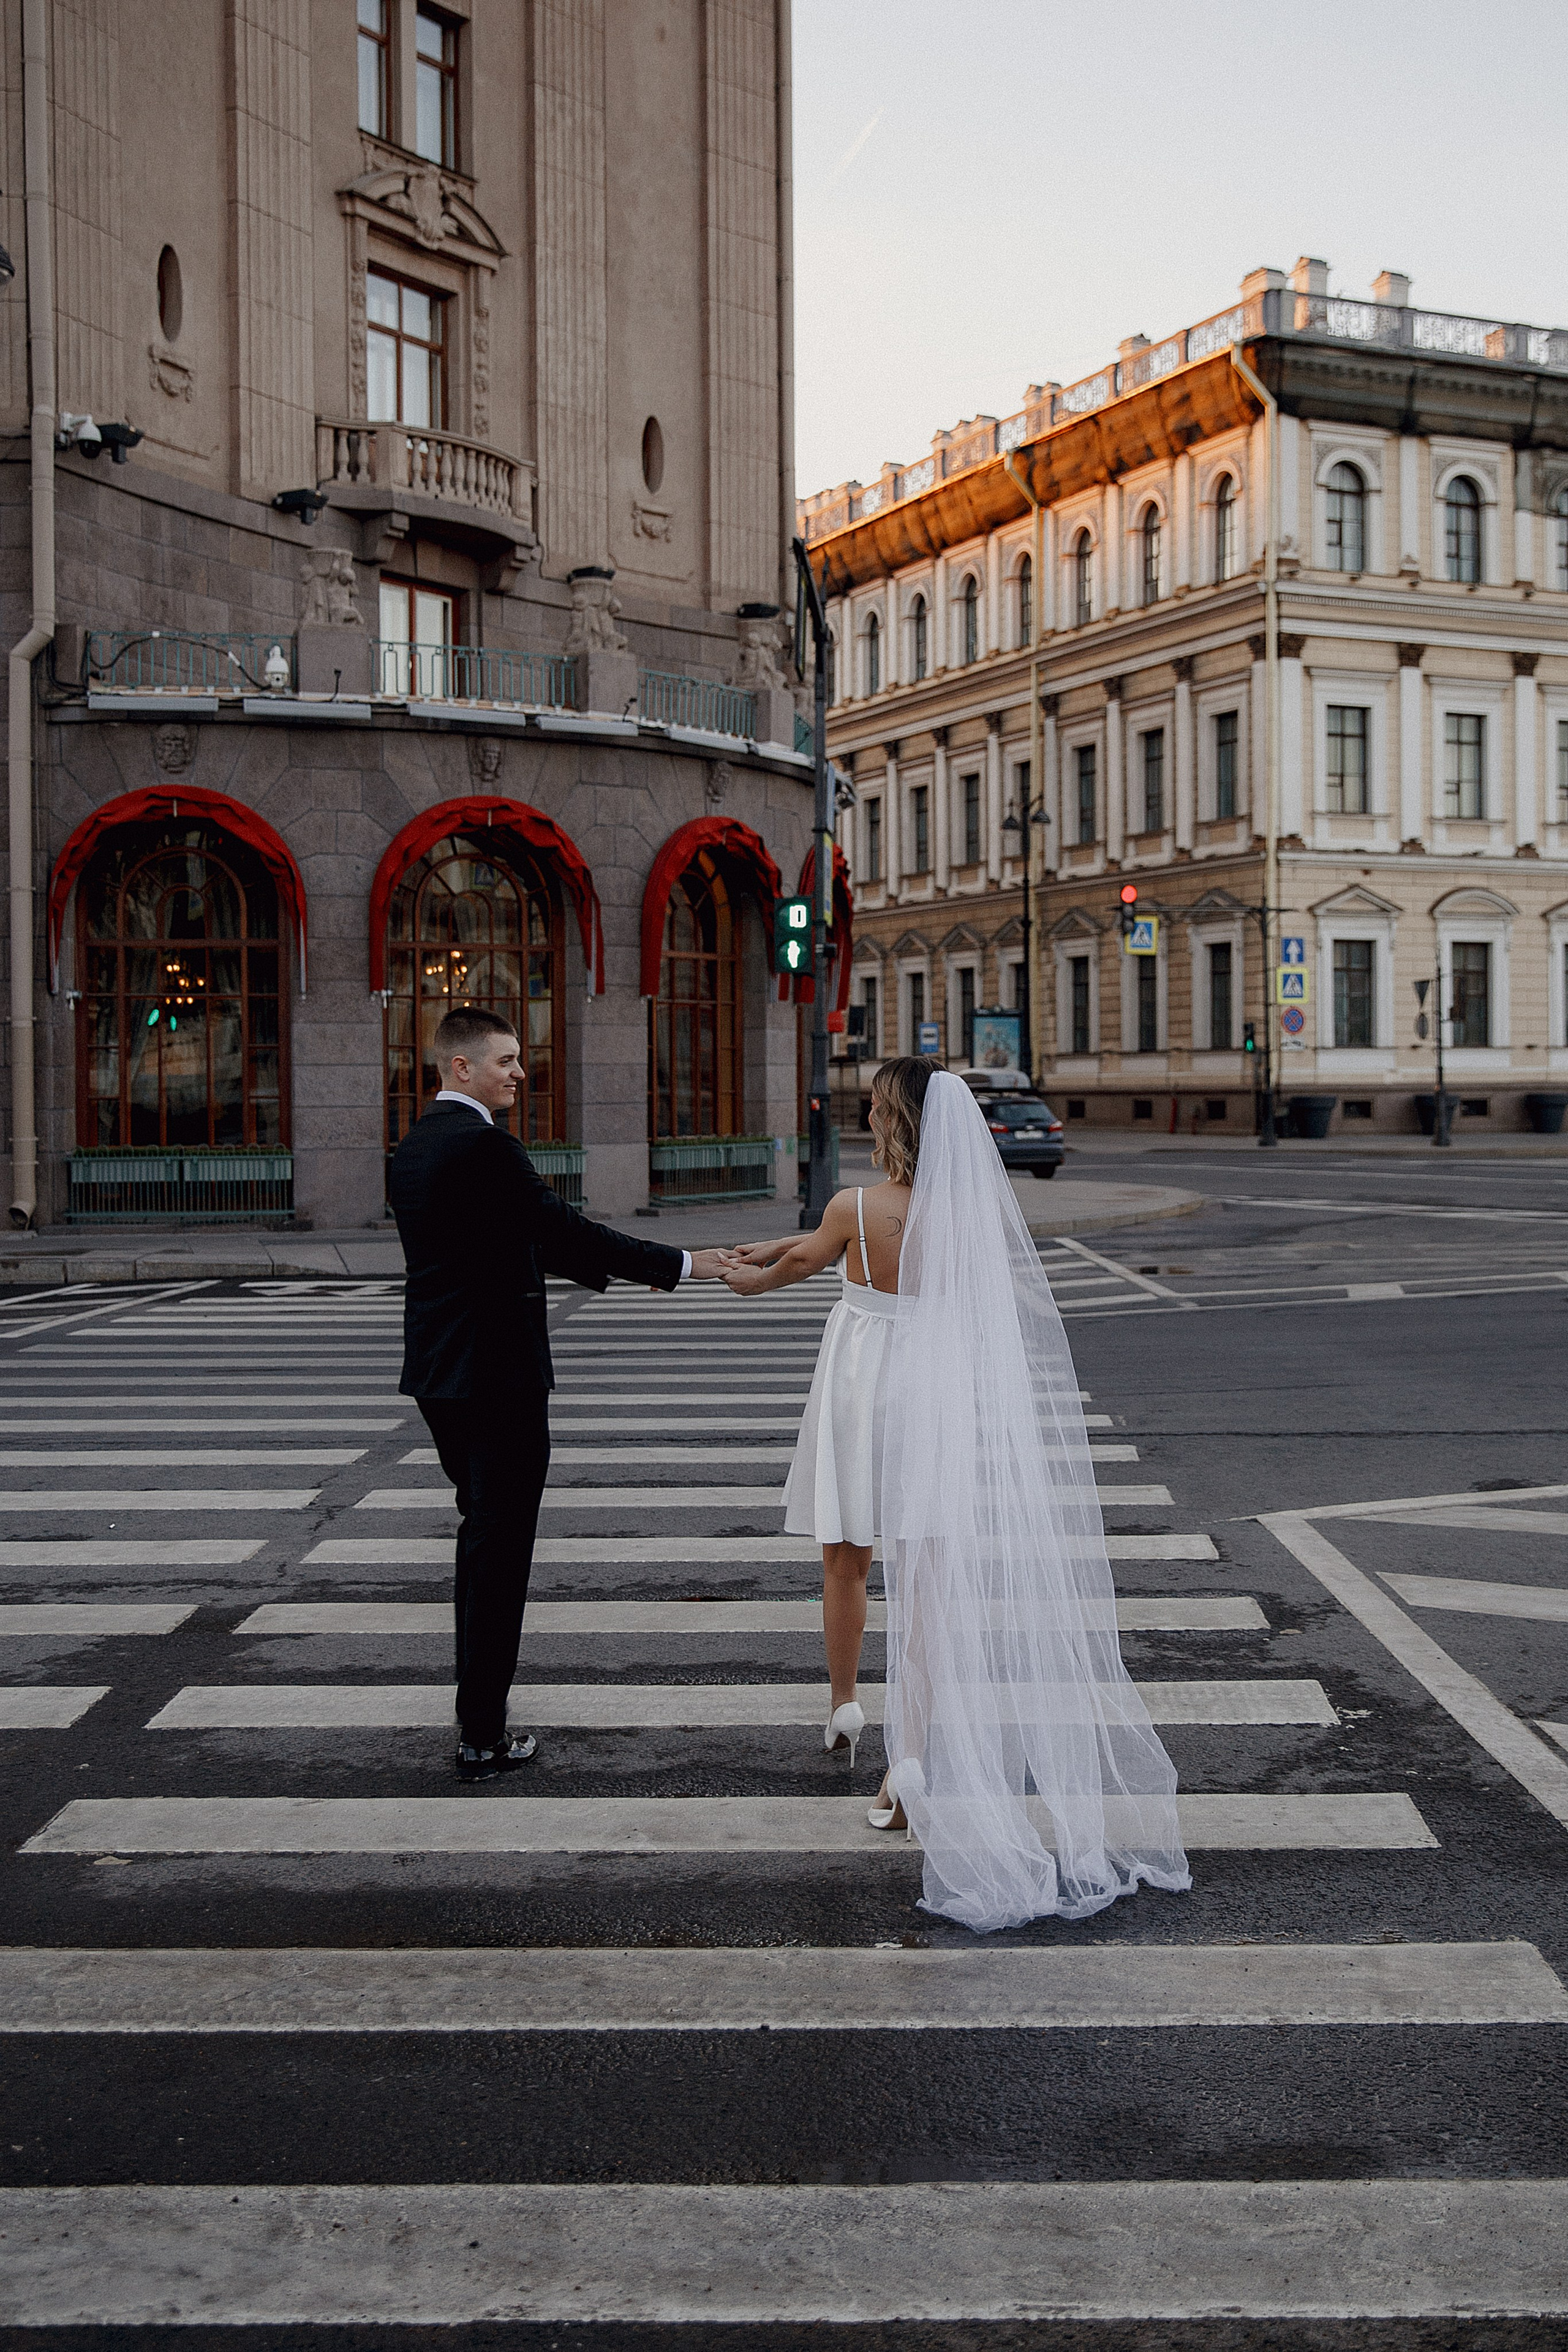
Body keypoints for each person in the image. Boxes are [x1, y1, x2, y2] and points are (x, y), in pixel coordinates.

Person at [723, 1057, 1191, 1932]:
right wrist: (771, 1254)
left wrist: (745, 1272)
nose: (863, 1117)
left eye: (871, 1107)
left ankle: (843, 1703)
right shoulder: (964, 1218)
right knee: (930, 1581)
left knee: (846, 1556)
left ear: (892, 1121)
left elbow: (812, 1263)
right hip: (932, 1394)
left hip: (863, 1386)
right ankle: (913, 1762)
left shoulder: (853, 1207)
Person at [388, 1007, 730, 1782]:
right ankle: (482, 1736)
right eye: (504, 1060)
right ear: (459, 1067)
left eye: (519, 1059)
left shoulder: (415, 1145)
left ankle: (478, 1718)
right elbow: (560, 1227)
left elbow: (511, 1236)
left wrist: (614, 1271)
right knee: (498, 1555)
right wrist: (685, 1265)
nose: (518, 1072)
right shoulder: (485, 1145)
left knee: (480, 1541)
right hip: (497, 1378)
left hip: (440, 1375)